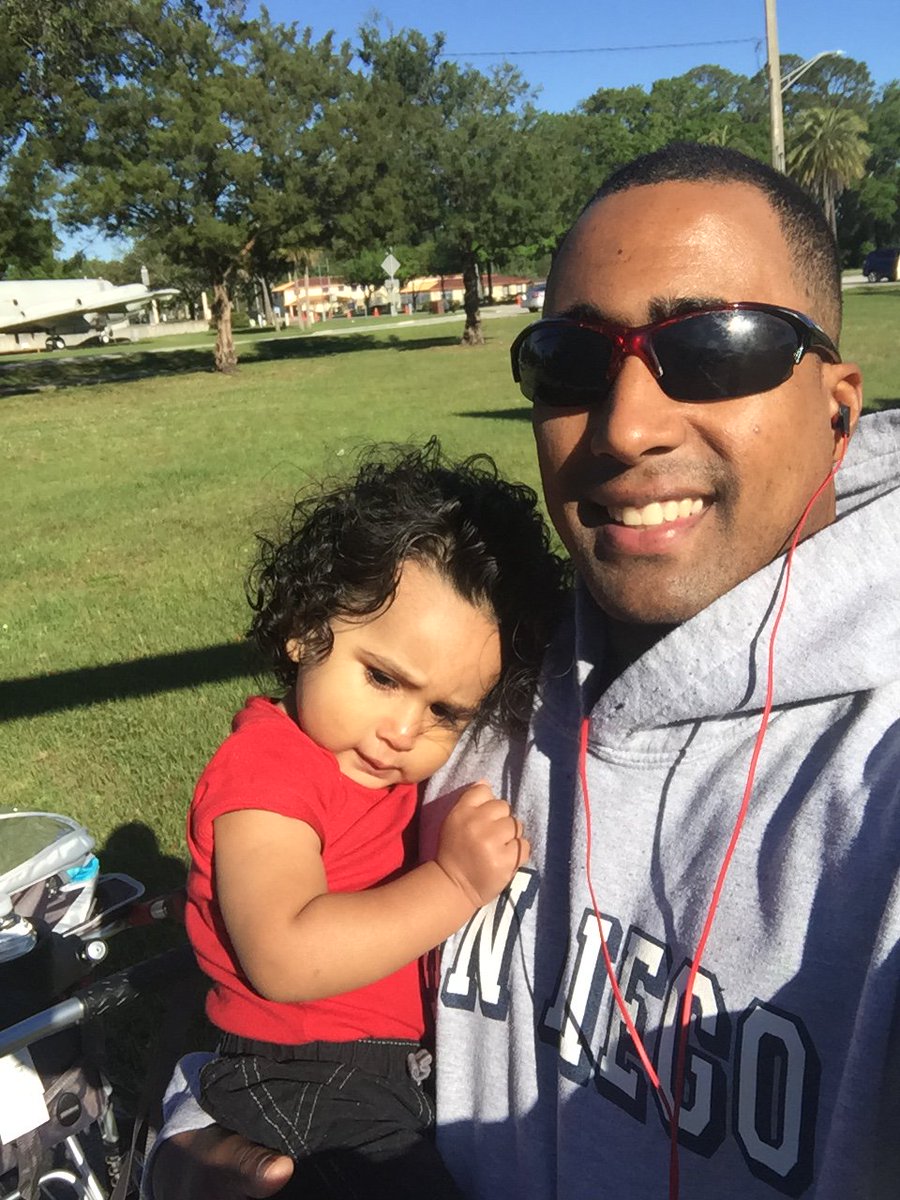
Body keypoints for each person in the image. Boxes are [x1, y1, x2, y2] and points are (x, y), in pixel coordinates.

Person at [150, 142, 900, 1199]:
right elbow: (267, 991)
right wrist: (188, 1144)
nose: (627, 425)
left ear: (836, 403)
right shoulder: (481, 670)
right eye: (571, 361)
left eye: (713, 347)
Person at [183, 442, 569, 1198]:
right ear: (305, 628)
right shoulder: (268, 767)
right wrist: (455, 884)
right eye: (383, 678)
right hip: (299, 1071)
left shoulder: (366, 768)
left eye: (445, 712)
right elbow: (285, 955)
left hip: (369, 1073)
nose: (402, 730)